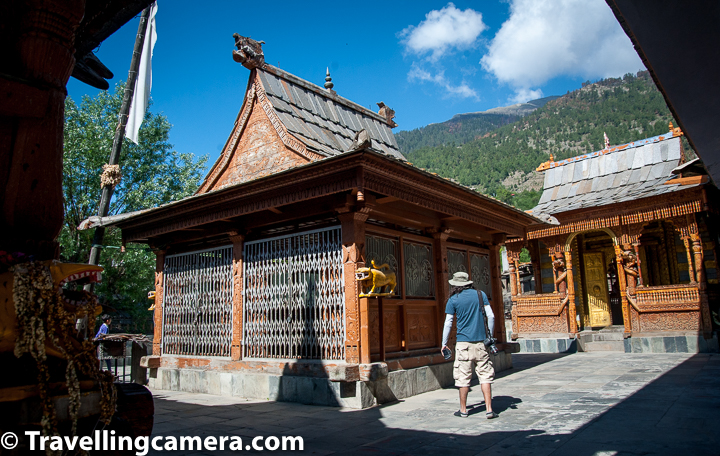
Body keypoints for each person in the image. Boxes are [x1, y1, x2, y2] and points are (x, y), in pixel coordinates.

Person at [441, 271, 497, 419]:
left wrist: (443, 343)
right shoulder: (480, 295)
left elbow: (448, 323)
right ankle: (489, 409)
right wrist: (489, 335)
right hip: (481, 342)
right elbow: (491, 316)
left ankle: (464, 410)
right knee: (485, 376)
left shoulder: (453, 300)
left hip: (463, 343)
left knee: (463, 378)